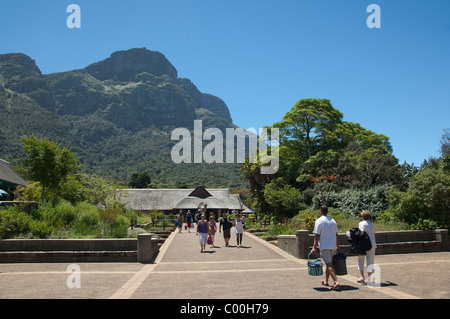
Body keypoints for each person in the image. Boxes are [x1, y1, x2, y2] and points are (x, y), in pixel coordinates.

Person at [311, 205, 341, 291]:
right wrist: (337, 246)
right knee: (329, 263)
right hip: (332, 245)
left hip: (324, 246)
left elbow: (317, 235)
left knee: (329, 264)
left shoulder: (319, 221)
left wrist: (314, 247)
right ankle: (326, 281)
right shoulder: (333, 221)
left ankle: (336, 281)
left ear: (321, 211)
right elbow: (336, 235)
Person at [357, 210, 377, 284]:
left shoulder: (361, 223)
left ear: (362, 217)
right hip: (372, 244)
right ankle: (369, 278)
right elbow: (373, 235)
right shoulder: (372, 224)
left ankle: (362, 276)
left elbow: (361, 232)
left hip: (363, 244)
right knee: (370, 261)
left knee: (360, 259)